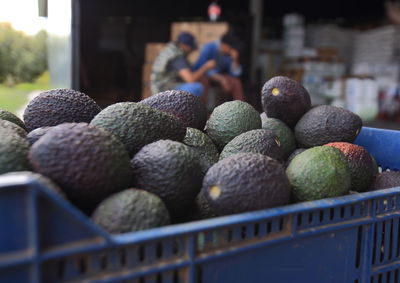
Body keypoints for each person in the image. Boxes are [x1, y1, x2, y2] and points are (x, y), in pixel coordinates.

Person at [150, 32, 215, 97]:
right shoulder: (177, 57)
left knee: (203, 78)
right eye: (190, 47)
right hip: (164, 90)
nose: (191, 50)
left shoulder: (171, 50)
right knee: (196, 88)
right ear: (183, 45)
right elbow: (190, 79)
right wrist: (206, 67)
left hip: (164, 86)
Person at [192, 32, 245, 102]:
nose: (230, 52)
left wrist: (235, 60)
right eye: (230, 49)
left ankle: (240, 107)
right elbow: (200, 68)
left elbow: (234, 74)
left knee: (236, 82)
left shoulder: (228, 54)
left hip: (218, 77)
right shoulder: (209, 47)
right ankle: (201, 108)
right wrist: (221, 79)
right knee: (205, 79)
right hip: (204, 75)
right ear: (224, 45)